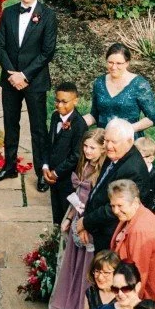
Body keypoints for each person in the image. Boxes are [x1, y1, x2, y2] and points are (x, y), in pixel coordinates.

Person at [0, 0, 58, 184]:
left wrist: (25, 75)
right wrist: (12, 73)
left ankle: (41, 172)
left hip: (34, 80)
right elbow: (0, 46)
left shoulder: (47, 15)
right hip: (11, 80)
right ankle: (9, 167)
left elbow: (47, 52)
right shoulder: (8, 13)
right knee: (11, 124)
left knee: (38, 129)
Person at [47, 127, 103, 309]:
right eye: (86, 146)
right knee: (72, 264)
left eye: (93, 148)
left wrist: (85, 224)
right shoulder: (83, 165)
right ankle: (67, 305)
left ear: (103, 149)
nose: (88, 151)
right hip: (76, 217)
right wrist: (69, 218)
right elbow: (76, 197)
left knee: (86, 267)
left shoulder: (101, 172)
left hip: (89, 223)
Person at [82, 118, 154, 251]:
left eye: (113, 142)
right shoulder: (116, 154)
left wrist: (85, 223)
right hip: (98, 227)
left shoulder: (132, 170)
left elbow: (113, 209)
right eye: (106, 140)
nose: (108, 146)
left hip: (112, 236)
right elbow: (98, 188)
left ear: (129, 141)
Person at [107, 180, 155, 309]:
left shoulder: (141, 229)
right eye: (113, 206)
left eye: (120, 205)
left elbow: (138, 273)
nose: (115, 211)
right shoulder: (132, 215)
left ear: (135, 202)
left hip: (151, 294)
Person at [42, 83, 89, 225]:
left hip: (67, 178)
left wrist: (56, 173)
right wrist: (45, 166)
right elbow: (48, 143)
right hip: (52, 175)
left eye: (64, 102)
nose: (59, 105)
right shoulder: (55, 116)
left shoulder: (79, 125)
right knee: (56, 212)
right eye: (57, 101)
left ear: (75, 101)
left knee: (66, 212)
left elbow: (76, 155)